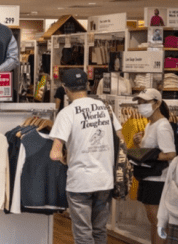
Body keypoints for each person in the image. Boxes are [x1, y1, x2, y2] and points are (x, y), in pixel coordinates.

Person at [50, 69, 122, 244]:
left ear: (65, 88)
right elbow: (121, 140)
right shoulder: (106, 108)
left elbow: (55, 153)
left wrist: (64, 157)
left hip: (80, 181)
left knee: (83, 233)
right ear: (88, 85)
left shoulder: (67, 113)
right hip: (104, 180)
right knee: (99, 231)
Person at [131, 88, 176, 244]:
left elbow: (170, 154)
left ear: (157, 104)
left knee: (158, 221)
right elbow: (149, 151)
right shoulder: (150, 125)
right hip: (149, 177)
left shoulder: (162, 126)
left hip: (158, 179)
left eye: (145, 102)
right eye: (139, 102)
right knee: (154, 220)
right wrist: (138, 145)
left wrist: (149, 156)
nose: (141, 106)